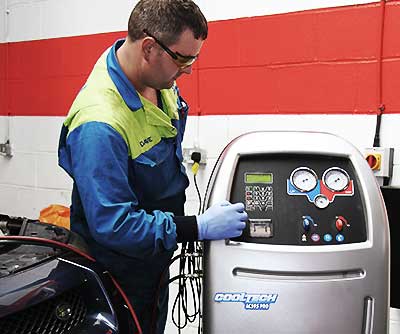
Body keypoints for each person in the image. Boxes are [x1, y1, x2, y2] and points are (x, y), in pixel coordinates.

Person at [58, 1, 248, 333]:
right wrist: (195, 227)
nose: (188, 70)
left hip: (153, 260)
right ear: (149, 47)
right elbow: (114, 224)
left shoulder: (157, 80)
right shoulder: (100, 125)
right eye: (183, 59)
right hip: (117, 276)